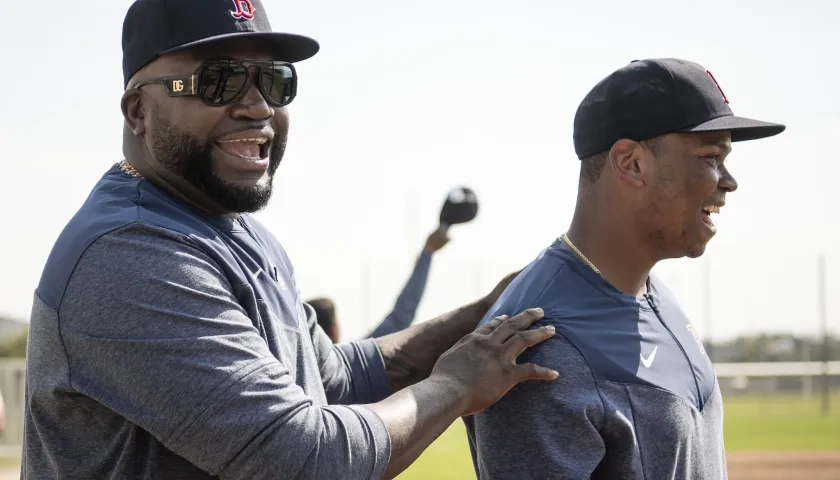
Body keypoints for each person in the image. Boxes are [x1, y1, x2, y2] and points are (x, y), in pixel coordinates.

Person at [21, 1, 560, 479]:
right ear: (138, 110)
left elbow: (340, 378)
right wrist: (455, 386)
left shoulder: (241, 232)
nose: (257, 106)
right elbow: (304, 461)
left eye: (274, 81)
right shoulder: (130, 253)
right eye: (220, 80)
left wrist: (487, 309)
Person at [464, 58, 785, 479]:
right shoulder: (541, 346)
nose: (728, 181)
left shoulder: (654, 292)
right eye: (710, 157)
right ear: (631, 163)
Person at [309, 225, 450, 343]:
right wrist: (427, 253)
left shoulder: (291, 372)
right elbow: (401, 314)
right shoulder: (346, 365)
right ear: (334, 329)